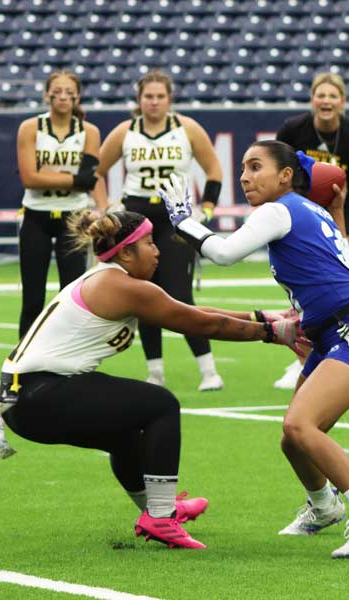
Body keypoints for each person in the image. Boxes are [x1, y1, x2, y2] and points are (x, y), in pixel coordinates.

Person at [0, 210, 301, 549]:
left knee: (125, 435)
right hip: (37, 394)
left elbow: (195, 312)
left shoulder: (110, 278)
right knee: (161, 404)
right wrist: (273, 333)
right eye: (149, 242)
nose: (158, 249)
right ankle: (160, 517)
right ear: (126, 252)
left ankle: (158, 511)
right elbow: (204, 326)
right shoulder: (121, 285)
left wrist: (261, 317)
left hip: (22, 398)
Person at [157, 141, 349, 559]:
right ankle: (324, 507)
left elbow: (224, 252)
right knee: (294, 440)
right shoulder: (310, 211)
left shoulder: (279, 209)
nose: (245, 177)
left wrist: (184, 220)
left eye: (256, 167)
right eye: (242, 169)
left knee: (300, 427)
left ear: (286, 175)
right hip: (334, 331)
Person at [95, 69, 225, 391]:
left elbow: (214, 170)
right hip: (136, 217)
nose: (154, 102)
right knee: (143, 295)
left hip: (174, 217)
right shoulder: (126, 130)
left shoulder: (186, 128)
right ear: (139, 100)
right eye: (148, 96)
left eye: (160, 96)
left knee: (181, 294)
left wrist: (207, 207)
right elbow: (96, 172)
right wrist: (105, 208)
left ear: (169, 99)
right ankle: (155, 372)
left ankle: (208, 370)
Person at [272, 72, 349, 389]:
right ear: (312, 99)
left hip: (345, 210)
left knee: (338, 280)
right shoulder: (293, 129)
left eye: (332, 95)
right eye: (320, 95)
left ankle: (343, 349)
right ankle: (303, 359)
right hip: (303, 215)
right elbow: (274, 171)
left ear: (343, 100)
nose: (326, 101)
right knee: (305, 289)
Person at [15, 70, 104, 337]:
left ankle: (67, 365)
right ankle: (22, 368)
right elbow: (29, 178)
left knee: (72, 297)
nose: (63, 96)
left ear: (77, 96)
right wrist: (73, 178)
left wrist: (51, 176)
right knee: (32, 297)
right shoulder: (30, 128)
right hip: (36, 215)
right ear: (46, 94)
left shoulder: (89, 131)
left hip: (73, 219)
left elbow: (88, 180)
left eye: (69, 92)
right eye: (58, 91)